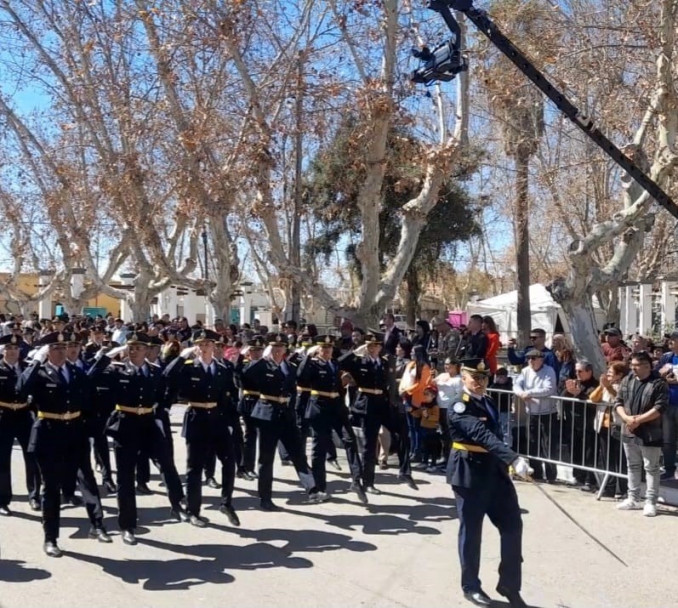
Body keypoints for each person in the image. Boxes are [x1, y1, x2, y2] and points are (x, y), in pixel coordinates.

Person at [17, 331, 111, 557]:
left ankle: (97, 525)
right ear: (47, 351)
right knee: (51, 488)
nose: (62, 351)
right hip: (48, 433)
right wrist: (36, 360)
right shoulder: (39, 373)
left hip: (75, 432)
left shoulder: (75, 372)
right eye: (57, 348)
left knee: (88, 479)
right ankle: (51, 538)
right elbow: (21, 390)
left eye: (64, 347)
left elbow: (88, 397)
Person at [89, 333, 189, 545]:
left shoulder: (154, 371)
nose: (134, 351)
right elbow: (90, 377)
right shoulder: (116, 370)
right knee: (126, 477)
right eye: (131, 347)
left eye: (139, 348)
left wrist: (162, 410)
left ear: (147, 350)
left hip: (149, 424)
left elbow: (165, 389)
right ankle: (127, 525)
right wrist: (107, 356)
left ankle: (177, 505)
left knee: (167, 465)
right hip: (126, 424)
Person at [447, 359, 531, 608]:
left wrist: (508, 461)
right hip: (470, 473)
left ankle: (509, 583)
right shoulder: (459, 406)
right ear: (463, 377)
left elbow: (494, 436)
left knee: (513, 525)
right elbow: (480, 435)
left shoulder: (489, 402)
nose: (480, 382)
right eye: (475, 377)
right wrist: (513, 458)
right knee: (472, 532)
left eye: (484, 377)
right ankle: (471, 586)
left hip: (495, 473)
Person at [164, 329, 241, 528]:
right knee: (194, 469)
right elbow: (166, 376)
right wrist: (181, 357)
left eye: (208, 344)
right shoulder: (189, 368)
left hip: (218, 419)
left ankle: (226, 503)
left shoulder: (222, 369)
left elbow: (230, 396)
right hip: (197, 419)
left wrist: (233, 424)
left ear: (214, 346)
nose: (204, 348)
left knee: (229, 461)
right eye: (200, 344)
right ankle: (193, 510)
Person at [246, 333, 319, 510]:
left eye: (281, 348)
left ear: (286, 349)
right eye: (275, 348)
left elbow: (296, 385)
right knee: (266, 458)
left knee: (297, 453)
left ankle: (312, 488)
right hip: (267, 414)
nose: (278, 351)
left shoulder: (290, 366)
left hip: (286, 414)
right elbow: (245, 375)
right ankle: (265, 498)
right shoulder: (263, 366)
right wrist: (263, 358)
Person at [339, 333, 417, 493]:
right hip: (367, 405)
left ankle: (404, 472)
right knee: (369, 444)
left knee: (402, 431)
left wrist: (393, 402)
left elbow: (389, 383)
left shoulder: (384, 362)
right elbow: (341, 362)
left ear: (380, 347)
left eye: (375, 346)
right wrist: (357, 351)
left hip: (383, 403)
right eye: (370, 346)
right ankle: (367, 482)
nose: (372, 349)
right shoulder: (360, 361)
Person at [297, 335, 367, 502]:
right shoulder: (312, 364)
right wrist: (307, 355)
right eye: (324, 348)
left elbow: (344, 361)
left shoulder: (334, 364)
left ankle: (357, 480)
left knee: (350, 440)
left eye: (330, 348)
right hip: (319, 406)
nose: (327, 351)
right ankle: (320, 487)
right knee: (319, 448)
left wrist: (356, 351)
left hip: (336, 406)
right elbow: (301, 376)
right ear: (318, 350)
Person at [615, 351, 668, 517]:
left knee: (651, 468)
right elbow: (619, 401)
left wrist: (639, 420)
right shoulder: (627, 380)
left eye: (636, 365)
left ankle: (651, 501)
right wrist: (626, 418)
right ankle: (633, 498)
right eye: (632, 365)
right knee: (632, 465)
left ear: (647, 366)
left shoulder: (658, 383)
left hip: (650, 432)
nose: (632, 368)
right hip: (629, 430)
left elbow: (660, 407)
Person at [0, 334, 41, 515]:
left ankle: (34, 495)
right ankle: (2, 499)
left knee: (32, 457)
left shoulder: (26, 367)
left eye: (16, 348)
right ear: (2, 350)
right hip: (3, 416)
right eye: (9, 348)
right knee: (2, 460)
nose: (12, 351)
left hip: (24, 416)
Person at [513, 350, 558, 483]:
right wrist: (521, 393)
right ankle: (536, 473)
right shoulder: (525, 371)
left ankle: (551, 475)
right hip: (531, 413)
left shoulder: (549, 371)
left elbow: (549, 388)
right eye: (528, 358)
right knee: (532, 443)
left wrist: (530, 393)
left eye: (533, 358)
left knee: (548, 445)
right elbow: (516, 384)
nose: (531, 361)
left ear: (541, 359)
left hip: (547, 413)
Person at [589, 361, 628, 498]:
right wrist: (602, 386)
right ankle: (609, 487)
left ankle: (624, 489)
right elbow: (593, 398)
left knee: (620, 459)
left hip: (617, 426)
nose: (608, 375)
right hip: (603, 426)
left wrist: (609, 387)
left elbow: (618, 399)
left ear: (619, 375)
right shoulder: (605, 385)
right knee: (607, 458)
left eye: (611, 373)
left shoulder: (625, 386)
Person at [562, 359, 600, 491]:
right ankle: (578, 477)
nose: (577, 373)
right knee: (574, 450)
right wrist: (568, 390)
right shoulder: (574, 382)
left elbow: (593, 401)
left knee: (589, 452)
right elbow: (563, 398)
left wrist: (579, 394)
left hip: (589, 424)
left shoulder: (595, 385)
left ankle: (590, 481)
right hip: (573, 422)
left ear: (589, 372)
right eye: (576, 371)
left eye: (580, 371)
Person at [399, 344, 433, 463]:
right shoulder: (410, 364)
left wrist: (407, 391)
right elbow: (404, 378)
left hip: (417, 399)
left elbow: (422, 384)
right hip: (407, 397)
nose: (411, 354)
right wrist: (402, 389)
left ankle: (418, 451)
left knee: (417, 427)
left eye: (413, 352)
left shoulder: (424, 367)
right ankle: (412, 450)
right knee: (410, 427)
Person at [654, 330, 678, 481]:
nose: (670, 342)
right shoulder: (666, 357)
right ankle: (669, 469)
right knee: (668, 440)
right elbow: (655, 375)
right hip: (668, 404)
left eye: (674, 339)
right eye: (670, 340)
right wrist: (664, 378)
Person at [435, 357, 463, 468]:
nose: (446, 366)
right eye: (445, 364)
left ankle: (449, 460)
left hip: (449, 409)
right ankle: (444, 457)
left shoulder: (458, 380)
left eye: (449, 364)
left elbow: (459, 395)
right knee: (442, 434)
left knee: (449, 435)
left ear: (456, 366)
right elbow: (432, 382)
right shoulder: (442, 376)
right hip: (439, 408)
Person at [419, 384, 441, 471]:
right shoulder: (423, 404)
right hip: (424, 427)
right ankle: (424, 462)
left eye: (427, 394)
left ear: (433, 396)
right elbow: (419, 413)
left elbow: (436, 417)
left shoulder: (435, 406)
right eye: (424, 394)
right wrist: (412, 411)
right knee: (424, 446)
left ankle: (433, 464)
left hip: (432, 429)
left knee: (433, 447)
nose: (425, 396)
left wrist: (428, 416)